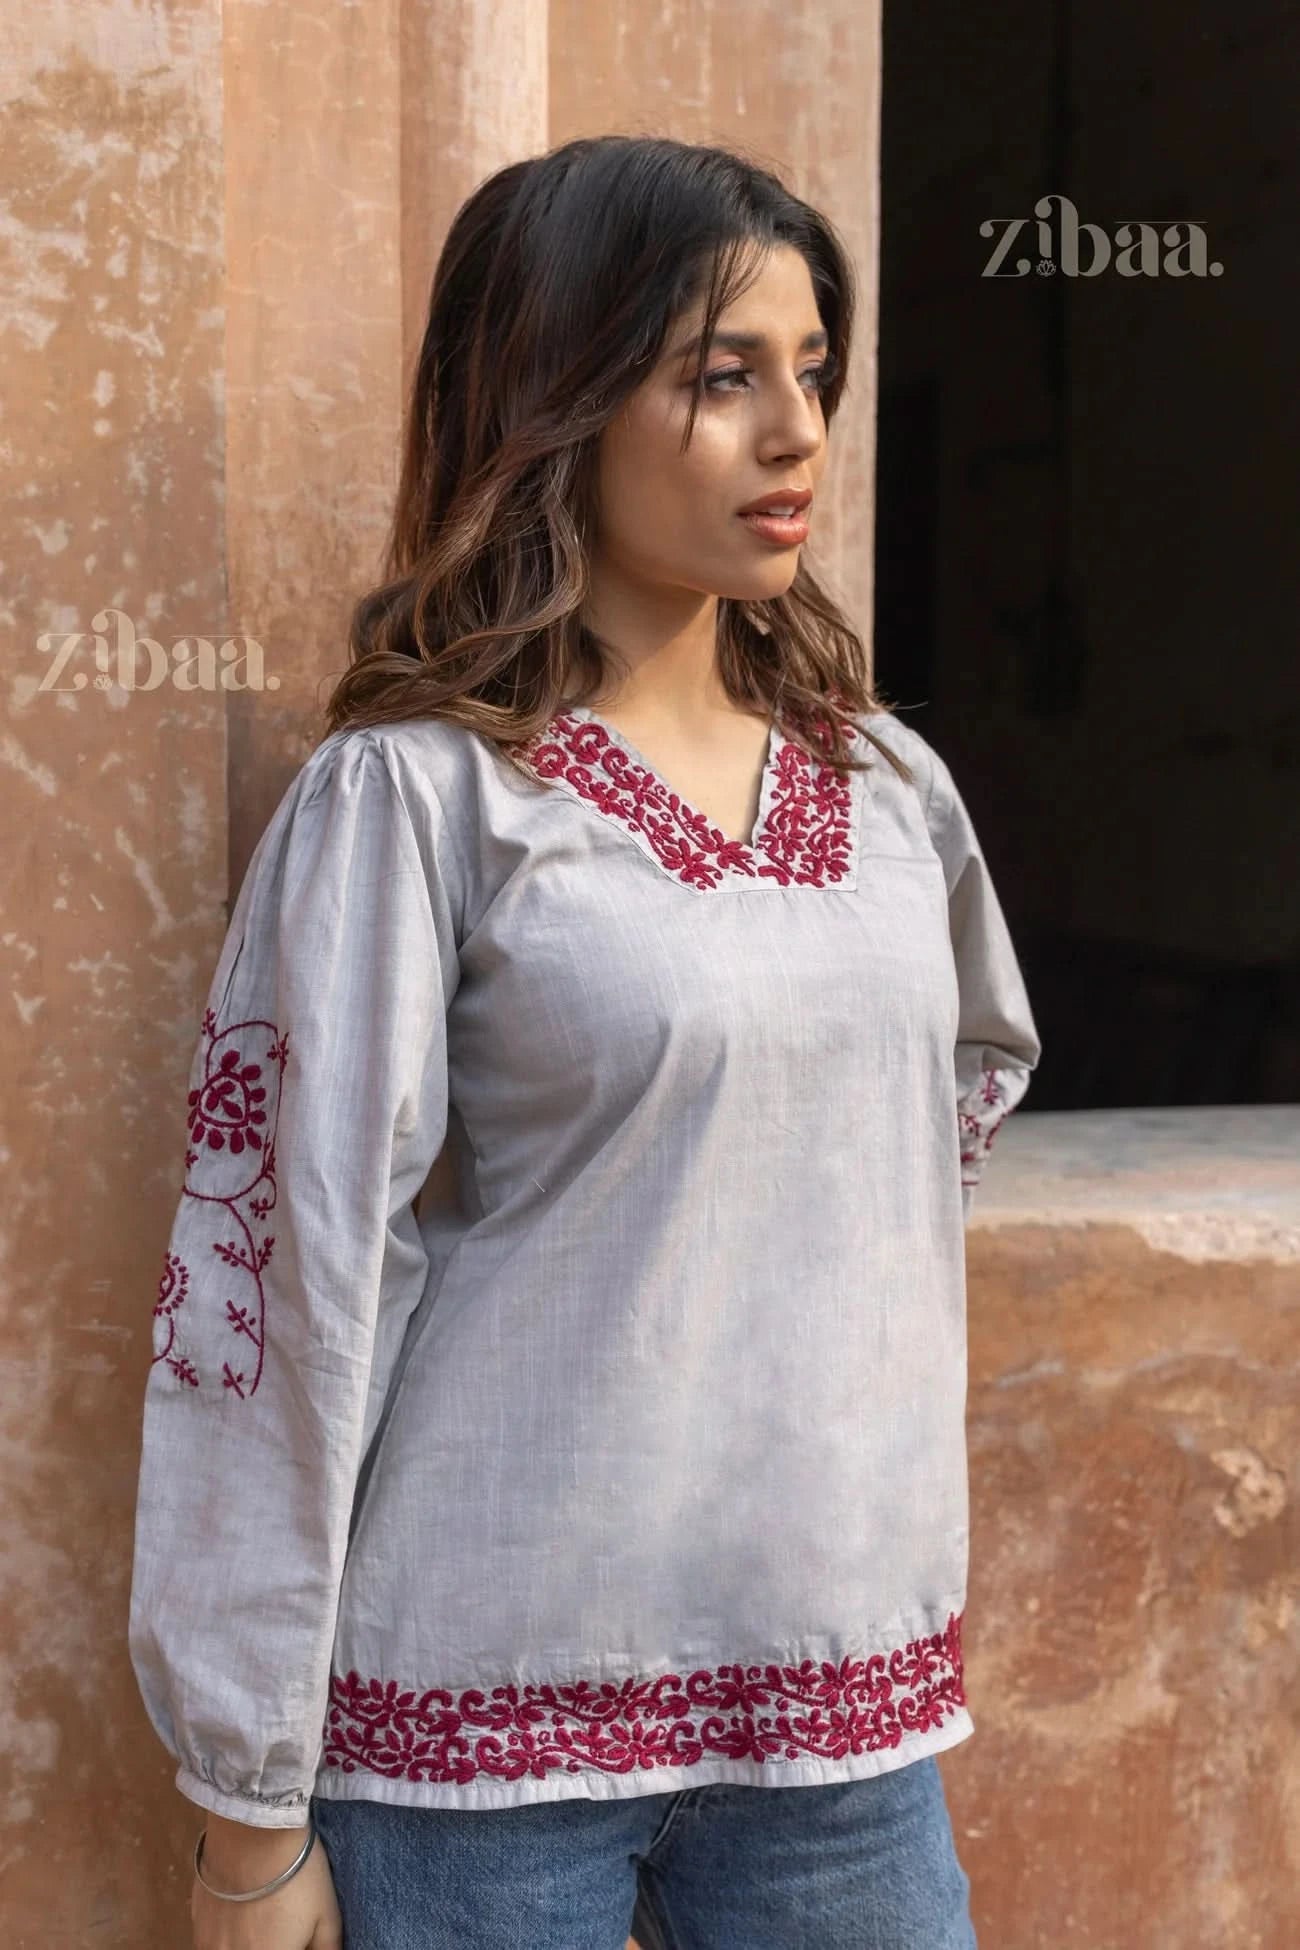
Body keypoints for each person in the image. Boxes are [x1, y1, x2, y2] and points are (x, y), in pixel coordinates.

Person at [128, 133, 1042, 1950]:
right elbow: (280, 1291)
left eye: (813, 373)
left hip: (841, 1725)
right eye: (721, 377)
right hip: (476, 1741)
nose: (796, 433)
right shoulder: (416, 800)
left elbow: (943, 1103)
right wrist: (246, 1810)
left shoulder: (890, 793)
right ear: (555, 397)